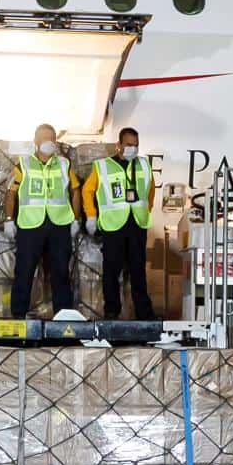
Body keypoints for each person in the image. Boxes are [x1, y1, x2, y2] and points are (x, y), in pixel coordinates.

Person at [80, 127, 157, 320]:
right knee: (112, 270)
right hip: (113, 225)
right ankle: (112, 311)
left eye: (136, 145)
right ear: (119, 145)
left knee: (138, 270)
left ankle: (144, 312)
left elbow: (150, 191)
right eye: (129, 145)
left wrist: (146, 211)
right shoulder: (103, 166)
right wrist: (91, 216)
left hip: (136, 224)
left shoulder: (144, 165)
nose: (133, 149)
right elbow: (87, 191)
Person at [5, 123, 76, 316]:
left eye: (52, 139)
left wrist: (76, 219)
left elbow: (75, 190)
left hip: (59, 224)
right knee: (24, 271)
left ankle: (64, 316)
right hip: (30, 225)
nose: (49, 142)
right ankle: (18, 315)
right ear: (35, 141)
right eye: (45, 139)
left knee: (61, 272)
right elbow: (10, 192)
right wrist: (9, 219)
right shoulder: (23, 164)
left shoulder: (64, 164)